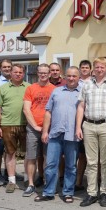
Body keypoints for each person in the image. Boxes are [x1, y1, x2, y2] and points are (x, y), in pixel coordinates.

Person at [76, 57, 106, 207]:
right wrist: (78, 127)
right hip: (89, 125)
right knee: (92, 162)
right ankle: (91, 193)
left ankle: (104, 192)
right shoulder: (86, 85)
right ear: (94, 69)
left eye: (102, 67)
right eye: (97, 67)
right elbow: (81, 106)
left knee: (105, 162)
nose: (99, 70)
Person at [35, 67, 82, 203]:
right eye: (69, 76)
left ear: (78, 77)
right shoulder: (56, 91)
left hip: (72, 135)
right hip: (55, 133)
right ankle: (48, 192)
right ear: (65, 77)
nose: (71, 78)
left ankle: (68, 192)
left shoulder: (82, 93)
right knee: (50, 165)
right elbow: (48, 112)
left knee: (71, 166)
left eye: (74, 76)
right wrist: (45, 131)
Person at [0, 64, 31, 193]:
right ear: (11, 73)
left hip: (26, 125)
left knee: (28, 154)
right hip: (7, 125)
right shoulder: (3, 88)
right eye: (15, 72)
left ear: (24, 73)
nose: (18, 74)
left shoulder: (29, 87)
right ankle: (11, 180)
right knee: (10, 153)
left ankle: (27, 178)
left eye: (21, 72)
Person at [22, 64, 55, 197]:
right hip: (33, 128)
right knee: (31, 157)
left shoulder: (54, 89)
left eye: (45, 73)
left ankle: (48, 183)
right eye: (40, 72)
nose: (43, 75)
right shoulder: (31, 88)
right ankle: (31, 184)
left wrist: (47, 128)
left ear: (49, 74)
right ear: (37, 73)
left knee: (49, 158)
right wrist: (35, 126)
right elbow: (26, 109)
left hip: (50, 128)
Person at [74, 60, 92, 192]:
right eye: (82, 68)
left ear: (90, 69)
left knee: (89, 155)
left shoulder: (94, 82)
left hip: (89, 120)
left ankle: (94, 182)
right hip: (76, 121)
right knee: (79, 154)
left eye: (87, 67)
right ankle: (77, 181)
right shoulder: (75, 82)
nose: (84, 69)